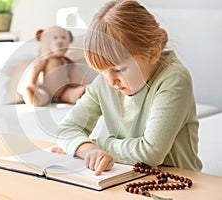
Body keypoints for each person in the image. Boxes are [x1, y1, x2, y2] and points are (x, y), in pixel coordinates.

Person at [52, 0, 203, 176]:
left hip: (178, 182)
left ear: (153, 53)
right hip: (128, 177)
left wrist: (95, 144)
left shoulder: (174, 79)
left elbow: (150, 153)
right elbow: (66, 129)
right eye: (102, 71)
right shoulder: (106, 81)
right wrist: (87, 149)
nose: (110, 81)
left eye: (118, 69)